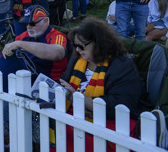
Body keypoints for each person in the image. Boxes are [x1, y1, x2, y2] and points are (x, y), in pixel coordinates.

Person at [59, 18, 148, 150]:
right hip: (77, 114)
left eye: (82, 46)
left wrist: (76, 97)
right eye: (75, 45)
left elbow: (122, 105)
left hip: (108, 120)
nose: (77, 50)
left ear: (99, 43)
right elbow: (65, 81)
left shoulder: (122, 65)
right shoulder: (78, 58)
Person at [0, 5, 67, 90]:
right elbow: (8, 53)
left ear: (46, 21)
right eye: (26, 23)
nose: (28, 27)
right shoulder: (23, 37)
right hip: (23, 80)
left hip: (48, 83)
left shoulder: (57, 36)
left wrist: (21, 44)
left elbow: (57, 53)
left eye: (32, 23)